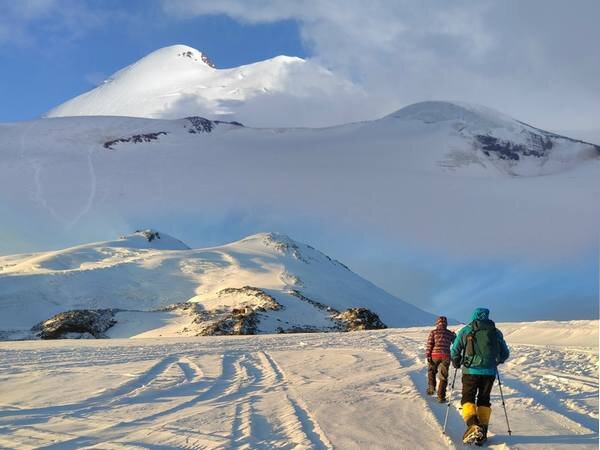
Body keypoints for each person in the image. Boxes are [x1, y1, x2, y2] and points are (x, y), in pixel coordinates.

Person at [451, 307, 510, 446]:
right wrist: (497, 361)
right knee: (484, 400)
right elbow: (505, 353)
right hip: (489, 372)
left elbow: (455, 349)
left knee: (467, 398)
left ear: (474, 316)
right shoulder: (495, 332)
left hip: (471, 371)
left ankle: (473, 425)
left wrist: (456, 361)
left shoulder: (467, 330)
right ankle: (482, 433)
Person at [425, 316, 456, 402]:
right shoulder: (449, 333)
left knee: (431, 370)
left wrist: (428, 354)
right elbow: (455, 342)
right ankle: (441, 397)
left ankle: (431, 387)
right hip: (445, 356)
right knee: (443, 376)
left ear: (437, 323)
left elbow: (429, 344)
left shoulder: (433, 332)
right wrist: (454, 336)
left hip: (435, 355)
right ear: (446, 324)